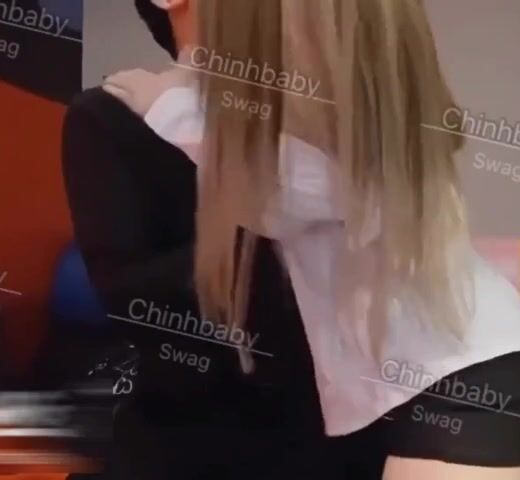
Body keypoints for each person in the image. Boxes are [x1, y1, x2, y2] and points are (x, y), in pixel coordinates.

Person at [102, 1, 520, 479]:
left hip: (466, 377)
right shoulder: (308, 113)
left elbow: (276, 197)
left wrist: (167, 106)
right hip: (423, 380)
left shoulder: (336, 139)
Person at [61, 1, 349, 478]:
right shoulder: (112, 115)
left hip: (343, 433)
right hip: (196, 438)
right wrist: (274, 236)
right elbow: (130, 298)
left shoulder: (318, 118)